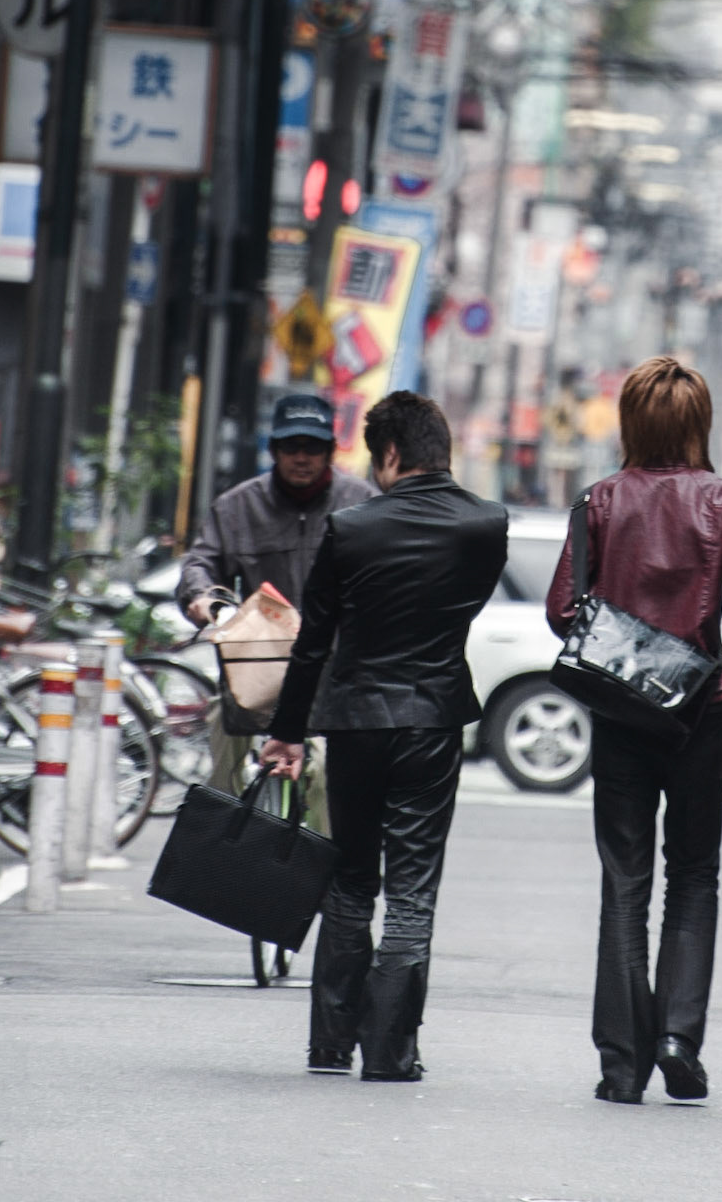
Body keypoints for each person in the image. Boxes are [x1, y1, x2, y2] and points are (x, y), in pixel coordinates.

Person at [545, 354, 722, 1107]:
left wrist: (624, 644)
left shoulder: (600, 499)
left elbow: (564, 610)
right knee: (694, 875)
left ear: (631, 421)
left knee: (624, 879)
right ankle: (678, 1038)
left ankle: (621, 1064)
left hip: (622, 714)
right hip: (698, 710)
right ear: (701, 424)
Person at [260, 390, 507, 1083]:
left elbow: (314, 642)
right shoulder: (487, 525)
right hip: (431, 721)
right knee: (412, 889)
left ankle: (331, 1042)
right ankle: (392, 1051)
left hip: (357, 720)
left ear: (390, 454)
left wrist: (288, 734)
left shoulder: (352, 527)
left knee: (350, 879)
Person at [177, 392, 372, 798]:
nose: (302, 458)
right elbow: (200, 564)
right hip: (256, 671)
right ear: (274, 449)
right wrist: (203, 598)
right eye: (291, 446)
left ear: (331, 450)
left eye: (313, 447)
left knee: (329, 782)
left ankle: (324, 857)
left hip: (334, 677)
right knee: (220, 727)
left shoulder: (363, 504)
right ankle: (224, 834)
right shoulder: (236, 507)